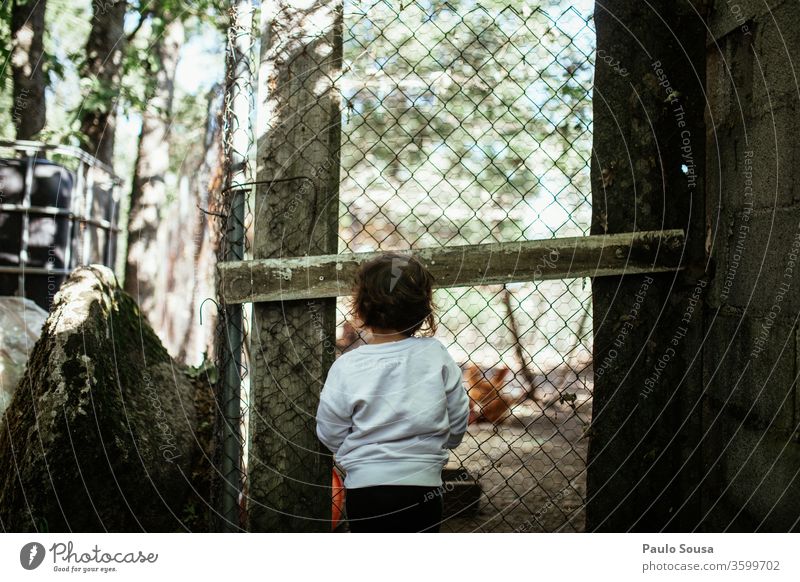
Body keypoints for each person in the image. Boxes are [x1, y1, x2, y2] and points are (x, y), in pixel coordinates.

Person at [316, 252, 470, 533]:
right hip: (424, 486)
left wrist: (357, 454)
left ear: (359, 310)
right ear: (424, 310)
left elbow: (329, 428)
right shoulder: (435, 355)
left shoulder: (348, 366)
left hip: (366, 488)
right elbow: (458, 411)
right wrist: (447, 442)